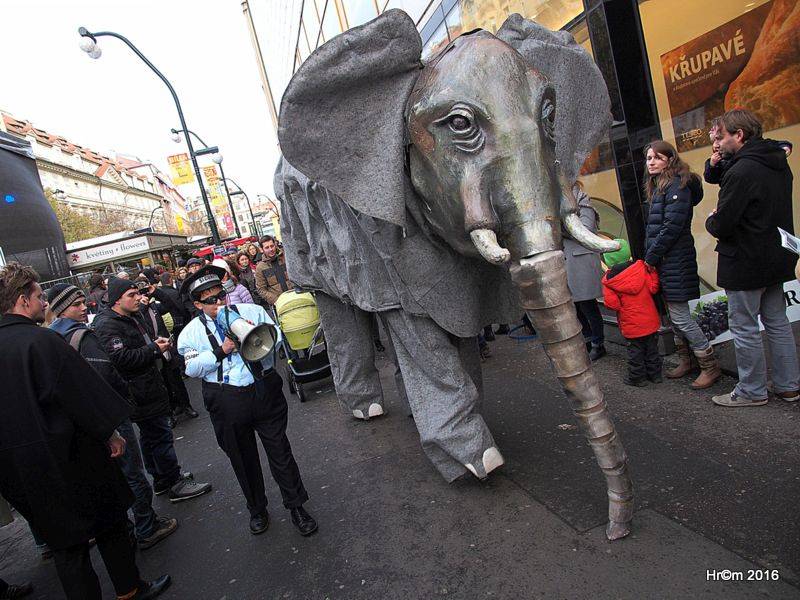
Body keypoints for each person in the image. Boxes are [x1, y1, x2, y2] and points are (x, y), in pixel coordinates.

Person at [0, 263, 170, 600]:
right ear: (22, 301)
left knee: (67, 549)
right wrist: (111, 433)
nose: (44, 304)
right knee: (110, 525)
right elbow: (80, 394)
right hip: (74, 459)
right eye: (38, 297)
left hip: (21, 471)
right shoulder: (42, 341)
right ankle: (130, 589)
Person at [177, 265, 317, 536]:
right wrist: (221, 350)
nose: (219, 302)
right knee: (242, 458)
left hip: (263, 388)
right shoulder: (190, 333)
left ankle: (297, 506)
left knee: (280, 451)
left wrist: (259, 334)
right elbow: (191, 369)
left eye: (221, 295)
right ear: (197, 304)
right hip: (226, 397)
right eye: (210, 300)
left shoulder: (251, 311)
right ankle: (257, 509)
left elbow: (276, 339)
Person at [46, 284, 179, 551]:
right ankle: (146, 527)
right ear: (60, 309)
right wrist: (124, 400)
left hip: (84, 419)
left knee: (116, 474)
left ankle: (130, 528)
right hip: (108, 415)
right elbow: (108, 373)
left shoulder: (50, 338)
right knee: (132, 472)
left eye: (83, 302)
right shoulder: (84, 336)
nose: (84, 308)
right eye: (76, 305)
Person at [705, 109, 799, 407]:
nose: (718, 144)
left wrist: (711, 219)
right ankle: (788, 386)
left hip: (745, 260)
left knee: (744, 327)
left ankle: (751, 391)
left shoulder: (742, 171)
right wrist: (716, 159)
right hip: (775, 256)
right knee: (777, 322)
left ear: (739, 135)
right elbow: (718, 174)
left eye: (721, 138)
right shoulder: (776, 161)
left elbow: (723, 224)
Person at [94, 277, 212, 501]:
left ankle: (162, 478)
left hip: (150, 383)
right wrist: (152, 349)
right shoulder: (108, 324)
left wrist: (155, 345)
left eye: (138, 293)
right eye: (131, 295)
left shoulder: (132, 315)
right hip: (139, 391)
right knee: (159, 435)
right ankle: (174, 482)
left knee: (152, 437)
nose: (138, 297)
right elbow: (119, 358)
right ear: (117, 301)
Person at [643, 140, 721, 389]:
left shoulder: (677, 185)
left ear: (669, 159)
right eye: (648, 158)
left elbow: (671, 227)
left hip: (675, 259)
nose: (651, 162)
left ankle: (710, 365)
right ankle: (687, 360)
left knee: (680, 316)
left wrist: (651, 257)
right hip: (668, 260)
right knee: (674, 315)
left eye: (656, 157)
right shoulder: (662, 186)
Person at [136, 278, 199, 423]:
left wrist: (156, 293)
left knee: (175, 378)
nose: (143, 293)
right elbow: (138, 320)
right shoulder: (138, 309)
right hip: (153, 350)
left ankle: (186, 406)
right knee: (163, 382)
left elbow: (172, 306)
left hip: (166, 346)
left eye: (145, 288)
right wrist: (142, 306)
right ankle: (170, 412)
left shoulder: (154, 305)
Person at [601, 247, 662, 386]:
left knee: (635, 352)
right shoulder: (641, 269)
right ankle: (655, 375)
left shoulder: (610, 280)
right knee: (652, 349)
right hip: (649, 320)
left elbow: (612, 305)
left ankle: (637, 378)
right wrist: (653, 273)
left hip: (631, 324)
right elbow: (654, 288)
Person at [564, 181, 606, 361]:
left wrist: (558, 229)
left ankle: (598, 344)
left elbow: (586, 228)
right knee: (574, 307)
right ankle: (587, 341)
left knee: (588, 305)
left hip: (580, 260)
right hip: (565, 261)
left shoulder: (581, 197)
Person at [705, 117, 792, 185]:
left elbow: (769, 145)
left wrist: (784, 147)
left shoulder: (742, 166)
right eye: (715, 140)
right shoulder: (723, 158)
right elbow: (711, 178)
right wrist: (712, 165)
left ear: (739, 135)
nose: (716, 145)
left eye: (719, 139)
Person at [255, 235, 294, 306]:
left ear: (275, 245)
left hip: (295, 296)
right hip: (279, 303)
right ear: (262, 249)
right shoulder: (260, 268)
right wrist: (276, 300)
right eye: (267, 247)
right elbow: (261, 289)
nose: (270, 249)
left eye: (272, 246)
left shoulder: (286, 258)